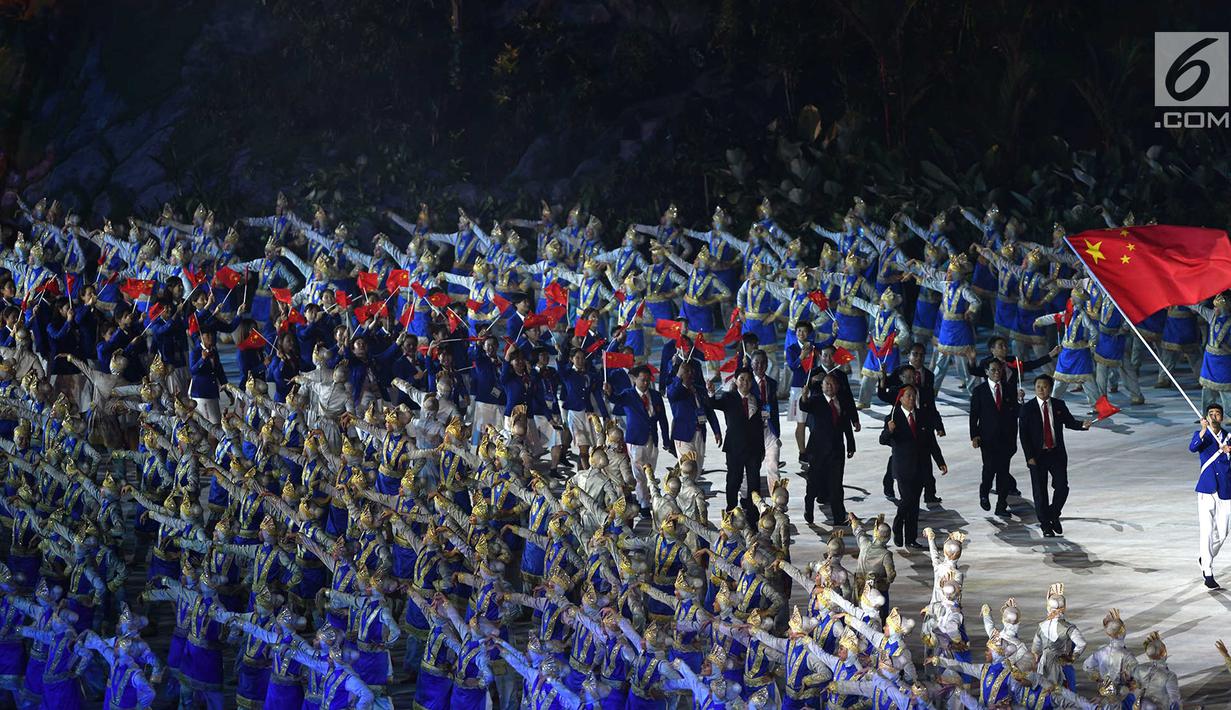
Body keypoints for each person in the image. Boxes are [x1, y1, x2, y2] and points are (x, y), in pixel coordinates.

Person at [1019, 374, 1091, 538]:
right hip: (1037, 456)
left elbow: (1070, 422)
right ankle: (1046, 525)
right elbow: (1023, 435)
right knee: (1040, 492)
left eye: (1044, 386)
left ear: (1050, 388)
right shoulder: (1027, 408)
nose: (1041, 389)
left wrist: (1082, 425)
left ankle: (1052, 514)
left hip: (1056, 454)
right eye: (1038, 387)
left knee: (1062, 487)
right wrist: (1029, 457)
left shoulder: (1058, 405)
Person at [879, 384, 947, 549]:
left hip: (921, 466)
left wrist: (940, 461)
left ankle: (910, 538)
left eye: (913, 396)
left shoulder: (922, 416)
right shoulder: (893, 417)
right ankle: (897, 524)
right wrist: (889, 431)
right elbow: (883, 440)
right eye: (908, 396)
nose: (911, 399)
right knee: (907, 499)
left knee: (914, 504)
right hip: (903, 467)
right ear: (900, 398)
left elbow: (931, 442)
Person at [710, 368, 767, 523]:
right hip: (734, 448)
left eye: (748, 380)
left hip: (754, 449)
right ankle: (731, 512)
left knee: (754, 482)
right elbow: (712, 404)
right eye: (741, 379)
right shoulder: (729, 397)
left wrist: (762, 449)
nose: (745, 383)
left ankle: (753, 514)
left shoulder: (757, 400)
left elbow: (760, 427)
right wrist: (711, 393)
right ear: (735, 381)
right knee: (733, 481)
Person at [799, 372, 856, 525]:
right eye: (827, 384)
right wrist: (804, 396)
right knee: (814, 483)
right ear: (822, 386)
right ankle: (808, 508)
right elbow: (804, 406)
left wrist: (851, 444)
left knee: (836, 485)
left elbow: (846, 425)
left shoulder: (841, 401)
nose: (830, 387)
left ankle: (838, 517)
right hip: (818, 451)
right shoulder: (816, 400)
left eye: (832, 384)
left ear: (837, 386)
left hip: (836, 450)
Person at [969, 359, 1020, 517]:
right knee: (989, 468)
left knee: (1003, 472)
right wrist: (974, 435)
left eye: (999, 370)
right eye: (993, 370)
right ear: (986, 372)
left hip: (1007, 438)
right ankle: (984, 493)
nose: (997, 373)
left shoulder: (1010, 389)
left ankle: (1001, 505)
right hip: (988, 438)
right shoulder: (979, 391)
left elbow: (1016, 412)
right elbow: (974, 416)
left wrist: (1021, 401)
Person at [1190, 403, 1231, 589]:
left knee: (1222, 533)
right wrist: (1203, 429)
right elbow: (1192, 447)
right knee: (1206, 531)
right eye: (1211, 413)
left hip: (1225, 490)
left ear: (1222, 418)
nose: (1215, 416)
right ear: (1206, 417)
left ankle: (1205, 556)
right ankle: (1208, 571)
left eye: (1218, 414)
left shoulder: (1229, 437)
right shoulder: (1203, 436)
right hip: (1206, 489)